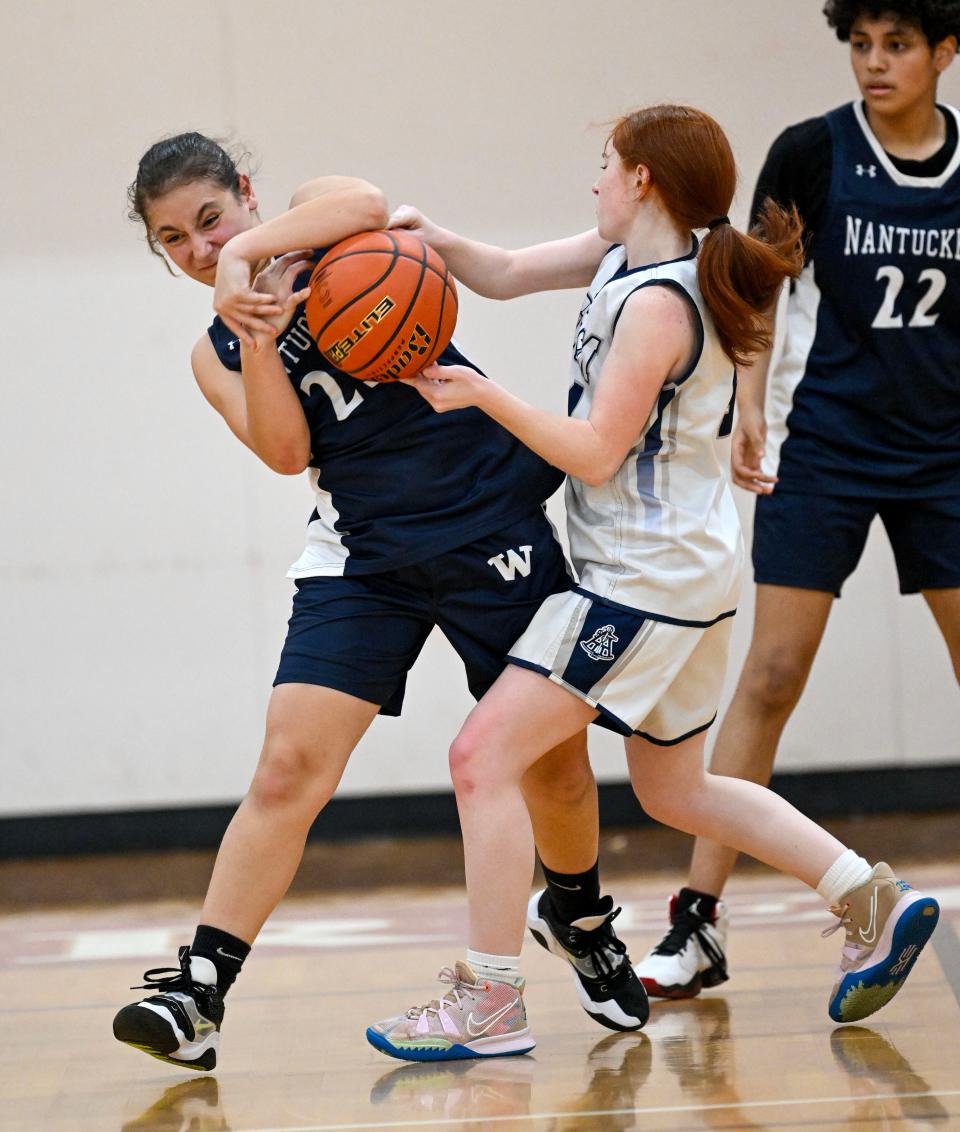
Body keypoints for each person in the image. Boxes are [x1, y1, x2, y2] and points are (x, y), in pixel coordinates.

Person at [366, 102, 941, 1063]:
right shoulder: (624, 263)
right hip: (684, 576)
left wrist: (482, 395)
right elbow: (504, 275)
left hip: (644, 582)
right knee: (677, 789)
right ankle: (866, 894)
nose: (592, 180)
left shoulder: (660, 304)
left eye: (604, 164)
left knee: (481, 759)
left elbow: (594, 455)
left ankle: (490, 1000)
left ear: (642, 180)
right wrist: (427, 239)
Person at [111, 133, 649, 1071]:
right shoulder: (214, 355)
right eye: (176, 241)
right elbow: (285, 453)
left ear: (245, 194)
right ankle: (201, 989)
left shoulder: (320, 227)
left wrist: (251, 257)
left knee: (554, 768)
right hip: (364, 553)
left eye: (210, 219)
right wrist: (261, 336)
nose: (201, 249)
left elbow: (365, 199)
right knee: (288, 769)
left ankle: (580, 913)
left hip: (487, 516)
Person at [634, 0, 960, 1000]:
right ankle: (698, 922)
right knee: (770, 675)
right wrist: (745, 409)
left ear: (946, 51)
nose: (874, 62)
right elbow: (762, 289)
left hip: (946, 450)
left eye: (897, 44)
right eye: (860, 43)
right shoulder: (814, 152)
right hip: (829, 444)